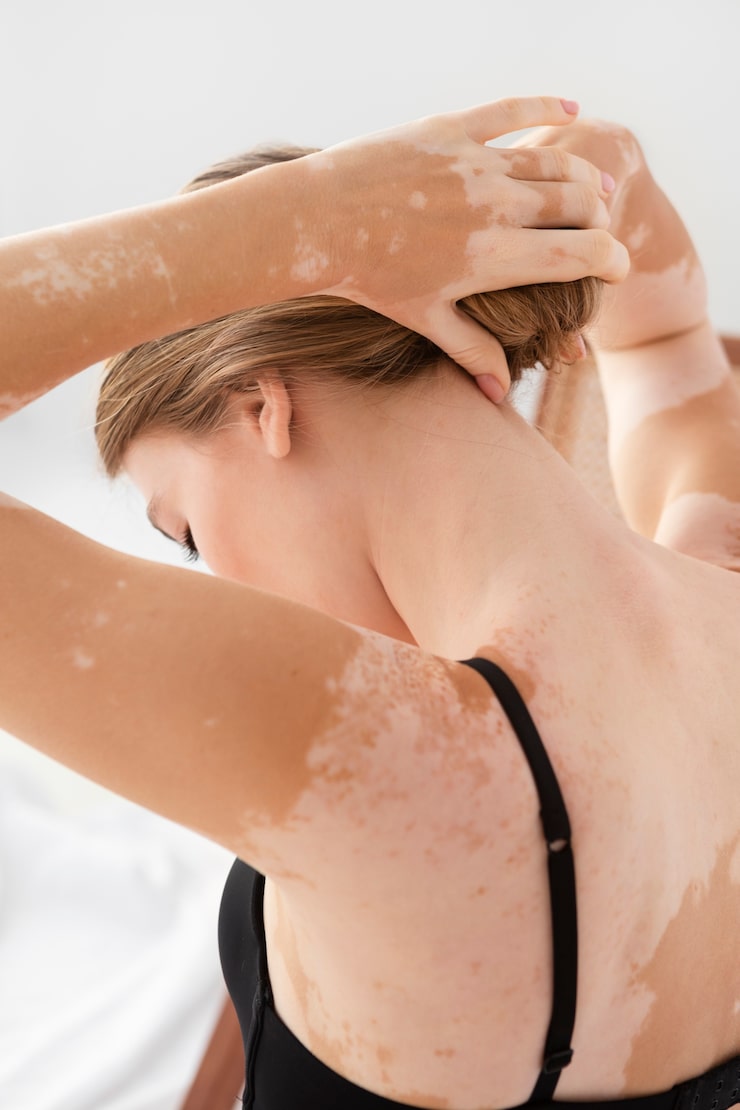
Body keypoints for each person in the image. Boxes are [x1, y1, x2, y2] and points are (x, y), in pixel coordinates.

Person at [2, 94, 739, 1110]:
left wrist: (306, 217)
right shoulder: (722, 583)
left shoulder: (380, 756)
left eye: (188, 531)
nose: (212, 581)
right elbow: (671, 349)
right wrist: (598, 176)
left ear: (262, 406)